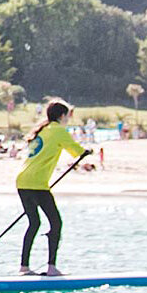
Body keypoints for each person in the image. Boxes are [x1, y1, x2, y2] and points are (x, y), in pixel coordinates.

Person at [17, 99, 88, 276]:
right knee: (56, 223)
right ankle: (51, 267)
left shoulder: (42, 130)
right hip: (37, 184)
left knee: (34, 223)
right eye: (67, 116)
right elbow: (77, 151)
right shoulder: (58, 131)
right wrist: (87, 152)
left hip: (22, 182)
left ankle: (24, 267)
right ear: (62, 116)